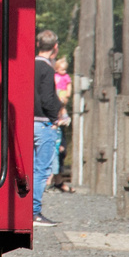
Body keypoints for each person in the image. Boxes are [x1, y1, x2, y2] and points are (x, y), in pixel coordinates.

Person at [32, 30, 62, 227]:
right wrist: (55, 119)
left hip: (28, 122)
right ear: (55, 48)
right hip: (43, 123)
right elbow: (47, 99)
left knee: (30, 168)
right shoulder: (48, 69)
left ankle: (27, 209)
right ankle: (34, 212)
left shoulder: (29, 65)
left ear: (37, 44)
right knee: (41, 170)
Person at [53, 55, 73, 190]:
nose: (63, 72)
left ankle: (57, 181)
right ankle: (55, 181)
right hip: (57, 97)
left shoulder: (65, 78)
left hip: (61, 96)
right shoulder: (55, 77)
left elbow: (69, 88)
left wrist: (66, 95)